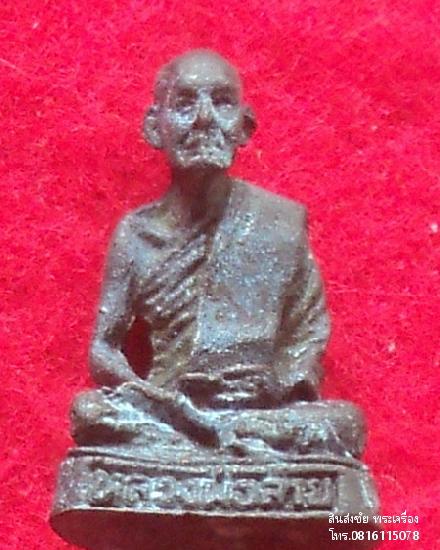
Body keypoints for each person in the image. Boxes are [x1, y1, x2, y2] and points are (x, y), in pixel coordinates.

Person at [72, 49, 363, 459]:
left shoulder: (278, 223)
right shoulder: (136, 234)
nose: (205, 118)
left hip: (257, 410)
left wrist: (277, 385)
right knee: (89, 412)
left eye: (222, 103)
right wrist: (161, 401)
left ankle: (225, 438)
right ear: (155, 127)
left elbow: (307, 332)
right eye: (185, 104)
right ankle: (223, 443)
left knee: (347, 422)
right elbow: (103, 349)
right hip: (169, 408)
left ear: (244, 126)